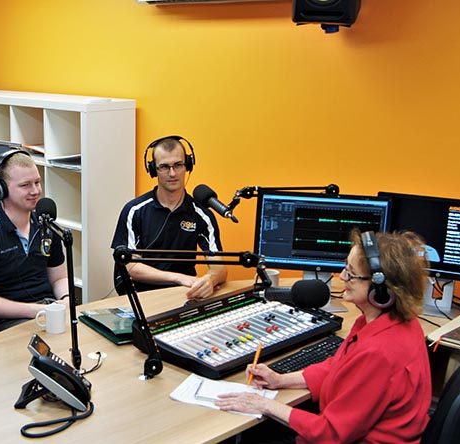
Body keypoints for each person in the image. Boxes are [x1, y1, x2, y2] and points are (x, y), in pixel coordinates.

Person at [215, 230, 432, 443]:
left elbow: (330, 433)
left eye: (351, 273)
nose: (342, 276)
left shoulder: (379, 352)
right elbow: (340, 367)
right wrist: (280, 380)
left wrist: (264, 405)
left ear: (381, 290)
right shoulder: (394, 322)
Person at [0, 149, 69, 337]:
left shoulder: (46, 227)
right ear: (1, 189)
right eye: (25, 185)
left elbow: (59, 278)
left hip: (47, 310)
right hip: (6, 321)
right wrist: (33, 310)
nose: (35, 191)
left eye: (37, 182)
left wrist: (65, 298)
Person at [111, 135, 227, 300]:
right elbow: (130, 267)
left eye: (178, 165)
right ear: (153, 170)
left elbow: (220, 267)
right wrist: (179, 278)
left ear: (187, 165)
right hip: (142, 297)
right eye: (164, 167)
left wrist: (210, 280)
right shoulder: (134, 210)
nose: (172, 173)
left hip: (183, 295)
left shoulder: (202, 215)